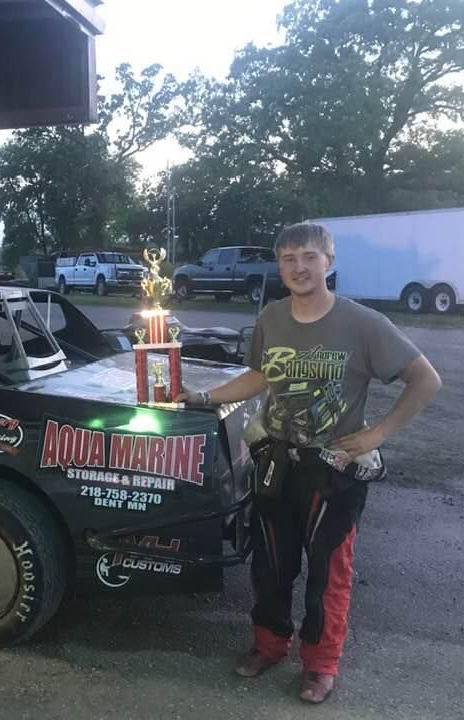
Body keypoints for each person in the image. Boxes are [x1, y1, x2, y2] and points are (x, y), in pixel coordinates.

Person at [180, 223, 441, 704]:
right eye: (288, 258)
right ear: (279, 265)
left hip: (334, 470)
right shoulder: (272, 317)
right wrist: (202, 397)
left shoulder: (363, 323)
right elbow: (259, 376)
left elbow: (425, 380)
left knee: (328, 573)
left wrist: (377, 433)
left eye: (308, 256)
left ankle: (320, 665)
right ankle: (269, 645)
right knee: (271, 566)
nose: (298, 267)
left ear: (329, 262)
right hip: (277, 463)